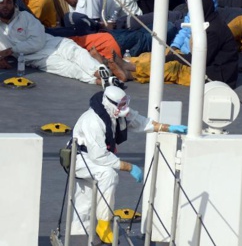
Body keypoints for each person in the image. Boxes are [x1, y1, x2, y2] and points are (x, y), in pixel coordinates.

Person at [70, 85, 187, 243]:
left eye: (126, 103)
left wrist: (168, 128)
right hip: (80, 157)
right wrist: (129, 167)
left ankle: (85, 231)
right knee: (108, 175)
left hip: (95, 158)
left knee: (86, 200)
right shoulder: (93, 121)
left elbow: (141, 122)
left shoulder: (117, 113)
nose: (125, 108)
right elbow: (99, 156)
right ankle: (103, 225)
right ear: (110, 104)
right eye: (121, 104)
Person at [110, 0, 240, 88]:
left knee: (173, 67)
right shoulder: (210, 21)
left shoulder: (213, 30)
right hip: (208, 68)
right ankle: (128, 63)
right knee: (162, 55)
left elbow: (199, 61)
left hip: (217, 77)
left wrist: (175, 57)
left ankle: (132, 71)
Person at [0, 0, 115, 84]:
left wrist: (10, 51)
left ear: (14, 5)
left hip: (53, 44)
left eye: (8, 2)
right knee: (69, 69)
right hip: (37, 58)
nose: (5, 6)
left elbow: (37, 42)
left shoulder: (25, 17)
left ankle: (101, 73)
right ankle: (100, 81)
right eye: (1, 2)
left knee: (77, 53)